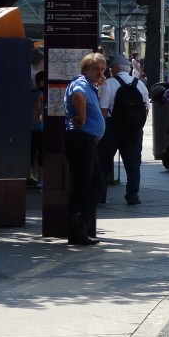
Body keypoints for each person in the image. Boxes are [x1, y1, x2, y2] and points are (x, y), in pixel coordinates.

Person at [64, 52, 106, 246]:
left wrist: (98, 85)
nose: (100, 72)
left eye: (103, 69)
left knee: (90, 184)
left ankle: (77, 229)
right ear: (86, 69)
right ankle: (79, 221)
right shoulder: (80, 83)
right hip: (81, 139)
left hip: (86, 140)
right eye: (96, 68)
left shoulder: (89, 84)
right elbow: (78, 96)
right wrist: (81, 117)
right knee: (88, 184)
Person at [99, 54, 150, 207]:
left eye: (110, 68)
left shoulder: (109, 83)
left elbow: (104, 109)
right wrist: (137, 125)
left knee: (104, 162)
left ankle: (101, 195)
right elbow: (146, 109)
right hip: (134, 130)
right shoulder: (140, 85)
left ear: (115, 68)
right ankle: (132, 195)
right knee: (133, 164)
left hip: (112, 128)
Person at [28, 70, 45, 188]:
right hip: (42, 128)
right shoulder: (45, 94)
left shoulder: (31, 94)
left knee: (31, 153)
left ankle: (30, 176)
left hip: (31, 127)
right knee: (42, 155)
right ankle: (40, 180)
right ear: (43, 82)